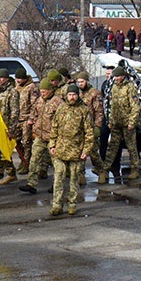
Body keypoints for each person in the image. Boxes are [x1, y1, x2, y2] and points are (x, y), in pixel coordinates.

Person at [48, 84, 95, 216]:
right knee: (58, 178)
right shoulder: (61, 109)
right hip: (60, 150)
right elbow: (54, 128)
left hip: (76, 151)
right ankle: (57, 205)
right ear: (66, 95)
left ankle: (72, 204)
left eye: (74, 95)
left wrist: (86, 150)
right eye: (70, 95)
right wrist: (52, 145)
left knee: (74, 179)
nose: (72, 97)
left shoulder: (84, 110)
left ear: (78, 95)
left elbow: (89, 133)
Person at [20, 78, 63, 194]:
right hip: (40, 136)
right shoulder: (39, 101)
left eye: (45, 91)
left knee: (56, 163)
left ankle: (57, 184)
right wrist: (30, 121)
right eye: (41, 90)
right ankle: (31, 184)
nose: (42, 93)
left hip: (53, 138)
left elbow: (63, 120)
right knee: (34, 159)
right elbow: (34, 113)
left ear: (50, 90)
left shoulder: (58, 102)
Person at [100, 65, 140, 183]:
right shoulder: (114, 88)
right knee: (112, 147)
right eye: (115, 76)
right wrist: (111, 121)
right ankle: (105, 170)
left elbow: (135, 107)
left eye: (118, 76)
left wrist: (132, 122)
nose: (116, 78)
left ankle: (135, 169)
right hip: (117, 123)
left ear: (123, 76)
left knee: (131, 147)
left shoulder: (130, 87)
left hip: (128, 123)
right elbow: (112, 107)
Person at [0, 68, 19, 191]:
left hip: (6, 127)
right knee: (3, 150)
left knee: (2, 153)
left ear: (7, 78)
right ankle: (11, 173)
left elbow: (15, 112)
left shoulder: (13, 92)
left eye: (2, 77)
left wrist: (12, 129)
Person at [74, 70, 106, 177]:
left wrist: (97, 127)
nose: (80, 84)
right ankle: (81, 175)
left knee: (92, 152)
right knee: (80, 153)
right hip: (80, 127)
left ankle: (101, 170)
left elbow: (99, 111)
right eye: (78, 82)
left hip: (91, 126)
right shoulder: (78, 93)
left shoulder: (95, 93)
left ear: (87, 81)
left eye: (82, 82)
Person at [13, 68, 36, 175]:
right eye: (17, 78)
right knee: (15, 140)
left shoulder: (32, 88)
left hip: (27, 119)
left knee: (27, 142)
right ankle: (23, 159)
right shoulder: (16, 88)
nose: (18, 81)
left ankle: (27, 164)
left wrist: (31, 118)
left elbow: (34, 105)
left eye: (20, 79)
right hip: (17, 119)